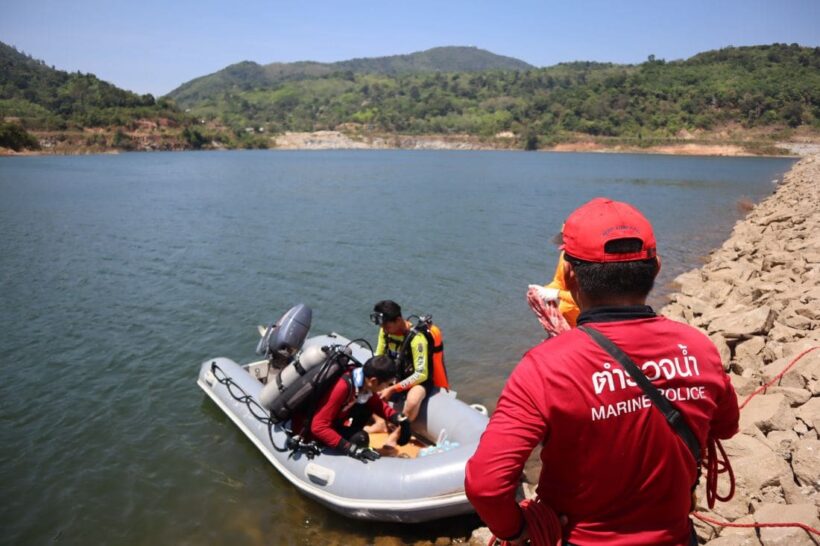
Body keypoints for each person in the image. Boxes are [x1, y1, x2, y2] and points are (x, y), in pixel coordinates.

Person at [465, 197, 740, 546]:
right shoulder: (698, 348)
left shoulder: (544, 367)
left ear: (568, 275)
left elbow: (486, 485)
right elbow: (726, 427)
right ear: (656, 269)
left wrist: (517, 532)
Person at [292, 355, 410, 461]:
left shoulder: (361, 378)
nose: (387, 388)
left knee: (367, 406)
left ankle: (350, 437)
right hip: (310, 431)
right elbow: (318, 427)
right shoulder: (342, 387)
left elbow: (376, 403)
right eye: (388, 384)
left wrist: (399, 418)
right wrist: (351, 448)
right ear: (373, 381)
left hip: (333, 420)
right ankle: (351, 446)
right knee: (360, 438)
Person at [370, 300, 448, 427]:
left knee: (412, 401)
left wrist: (393, 388)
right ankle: (380, 423)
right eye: (382, 326)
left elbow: (421, 374)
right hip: (396, 375)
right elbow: (379, 356)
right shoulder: (385, 332)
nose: (384, 329)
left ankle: (397, 433)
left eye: (387, 326)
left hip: (418, 380)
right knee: (367, 384)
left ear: (399, 320)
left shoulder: (417, 339)